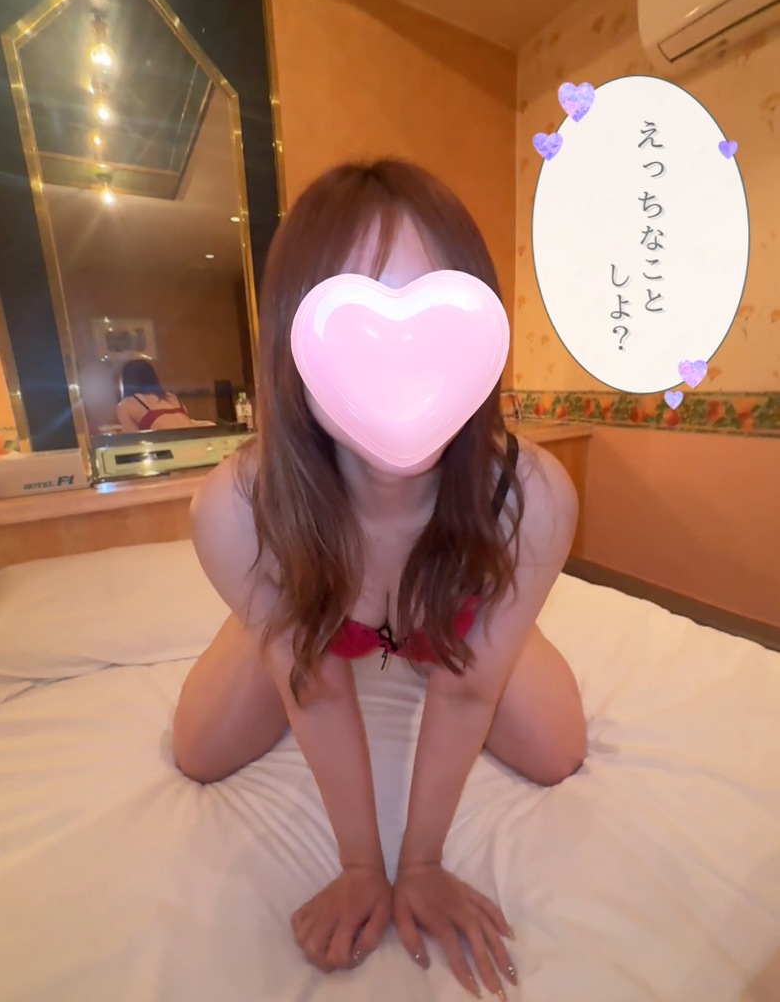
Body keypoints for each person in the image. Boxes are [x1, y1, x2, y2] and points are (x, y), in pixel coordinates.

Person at [172, 159, 587, 999]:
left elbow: (468, 696)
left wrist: (419, 863)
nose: (402, 370)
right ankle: (277, 614)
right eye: (358, 331)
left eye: (437, 327)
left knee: (557, 754)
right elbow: (317, 694)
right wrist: (363, 865)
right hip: (307, 606)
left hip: (459, 605)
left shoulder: (532, 497)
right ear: (293, 345)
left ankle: (480, 620)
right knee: (199, 754)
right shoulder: (235, 510)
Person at [116, 358, 194, 432]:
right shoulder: (172, 397)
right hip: (195, 439)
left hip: (168, 441)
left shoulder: (126, 404)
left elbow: (134, 438)